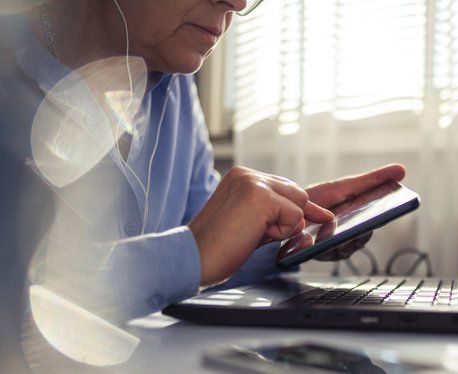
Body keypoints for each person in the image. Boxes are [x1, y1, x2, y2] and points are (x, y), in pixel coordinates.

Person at [0, 0, 406, 329]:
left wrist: (286, 233)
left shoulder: (174, 83)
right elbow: (18, 300)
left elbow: (200, 242)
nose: (238, 2)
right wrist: (192, 251)